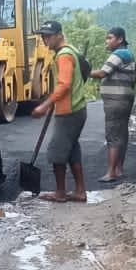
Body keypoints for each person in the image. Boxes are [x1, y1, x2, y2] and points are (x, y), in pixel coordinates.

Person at [30, 20, 91, 203]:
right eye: (42, 36)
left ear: (59, 35)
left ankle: (60, 192)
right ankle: (80, 191)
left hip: (69, 111)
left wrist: (45, 105)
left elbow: (64, 85)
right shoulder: (71, 50)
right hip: (76, 108)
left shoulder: (63, 55)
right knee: (72, 150)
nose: (44, 39)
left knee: (57, 151)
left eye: (48, 36)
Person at [90, 26, 136, 184]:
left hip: (116, 101)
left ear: (120, 39)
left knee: (112, 134)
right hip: (125, 98)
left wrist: (84, 70)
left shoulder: (119, 54)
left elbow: (102, 73)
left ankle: (111, 172)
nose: (107, 41)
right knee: (121, 133)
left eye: (110, 38)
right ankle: (118, 169)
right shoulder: (128, 54)